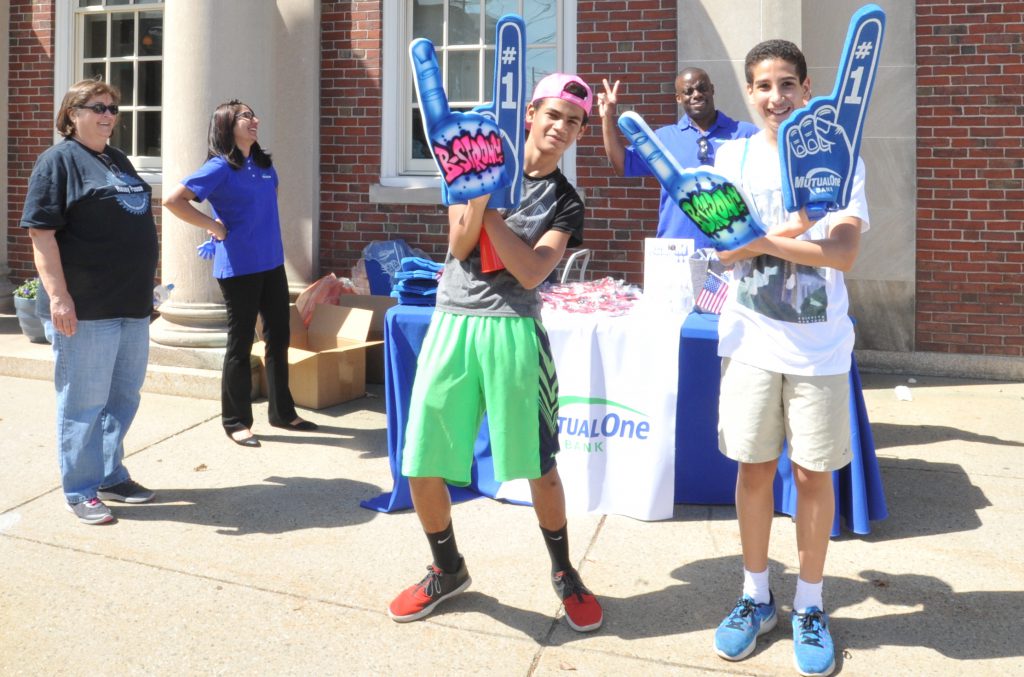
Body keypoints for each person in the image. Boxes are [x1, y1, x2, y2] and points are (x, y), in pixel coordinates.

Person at [388, 73, 603, 633]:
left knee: (539, 468)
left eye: (574, 122)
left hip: (515, 332)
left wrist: (490, 210)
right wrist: (482, 181)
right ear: (530, 112)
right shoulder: (476, 158)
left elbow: (532, 271)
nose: (561, 128)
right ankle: (447, 567)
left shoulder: (566, 201)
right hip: (454, 320)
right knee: (421, 461)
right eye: (554, 114)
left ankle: (564, 573)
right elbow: (459, 245)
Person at [709, 40, 869, 677]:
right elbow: (721, 253)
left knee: (811, 477)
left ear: (806, 89)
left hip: (819, 348)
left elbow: (845, 254)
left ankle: (809, 603)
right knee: (752, 471)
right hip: (749, 343)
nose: (774, 97)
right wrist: (802, 232)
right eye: (762, 85)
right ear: (749, 93)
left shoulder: (841, 155)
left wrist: (761, 239)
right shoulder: (730, 155)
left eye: (786, 84)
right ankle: (756, 597)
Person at [21, 78, 158, 525]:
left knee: (122, 398)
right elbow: (42, 234)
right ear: (71, 115)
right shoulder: (57, 162)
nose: (108, 115)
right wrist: (59, 298)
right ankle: (79, 488)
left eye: (113, 108)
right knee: (83, 401)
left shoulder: (117, 160)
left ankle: (109, 472)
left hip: (131, 304)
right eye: (97, 107)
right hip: (86, 308)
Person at [163, 100, 316, 448]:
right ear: (227, 125)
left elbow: (268, 203)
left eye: (253, 114)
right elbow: (174, 200)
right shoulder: (218, 168)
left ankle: (282, 412)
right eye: (245, 116)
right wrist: (214, 227)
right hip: (238, 268)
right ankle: (236, 421)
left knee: (279, 337)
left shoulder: (264, 165)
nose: (254, 120)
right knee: (241, 342)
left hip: (272, 264)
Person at [599, 68, 758, 248]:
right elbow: (623, 164)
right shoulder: (663, 138)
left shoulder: (746, 133)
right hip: (675, 252)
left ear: (712, 89)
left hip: (733, 252)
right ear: (678, 98)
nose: (696, 95)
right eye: (688, 92)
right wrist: (607, 117)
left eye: (702, 88)